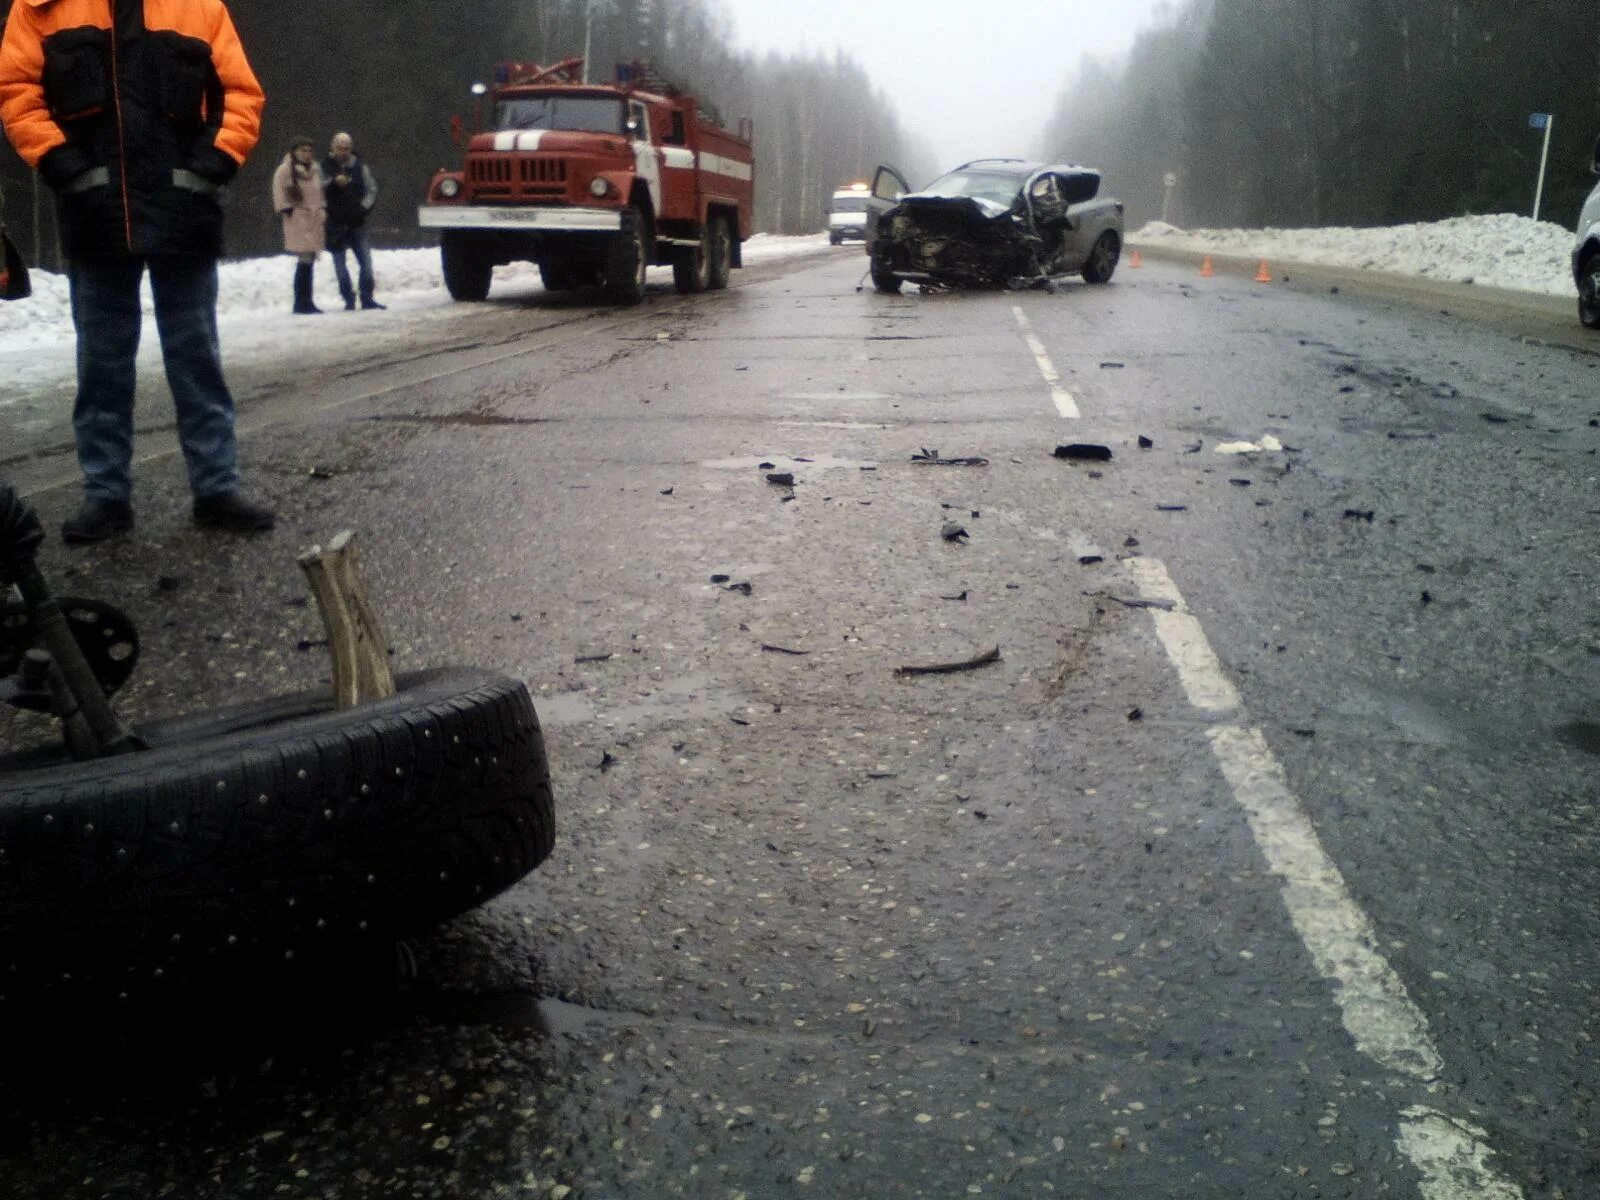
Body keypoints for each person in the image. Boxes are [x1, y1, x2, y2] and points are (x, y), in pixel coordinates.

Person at [0, 0, 275, 541]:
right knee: (102, 366)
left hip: (184, 212)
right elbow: (16, 94)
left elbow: (241, 94)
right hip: (95, 212)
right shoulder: (39, 7)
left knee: (197, 359)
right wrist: (64, 167)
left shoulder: (200, 6)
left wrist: (214, 163)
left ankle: (216, 488)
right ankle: (106, 497)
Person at [321, 132, 383, 310]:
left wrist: (363, 208)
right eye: (340, 148)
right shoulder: (323, 167)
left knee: (366, 263)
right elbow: (317, 189)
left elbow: (372, 189)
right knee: (340, 265)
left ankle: (367, 297)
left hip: (357, 221)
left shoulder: (359, 166)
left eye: (347, 148)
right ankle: (348, 298)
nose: (343, 152)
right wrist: (333, 184)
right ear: (332, 147)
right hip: (335, 223)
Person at [272, 135, 325, 314]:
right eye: (303, 150)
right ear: (294, 152)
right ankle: (301, 301)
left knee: (309, 259)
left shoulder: (315, 170)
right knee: (304, 259)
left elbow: (320, 193)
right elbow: (279, 194)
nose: (307, 154)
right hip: (298, 218)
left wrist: (323, 209)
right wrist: (289, 211)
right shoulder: (285, 170)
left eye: (310, 151)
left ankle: (306, 300)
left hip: (314, 217)